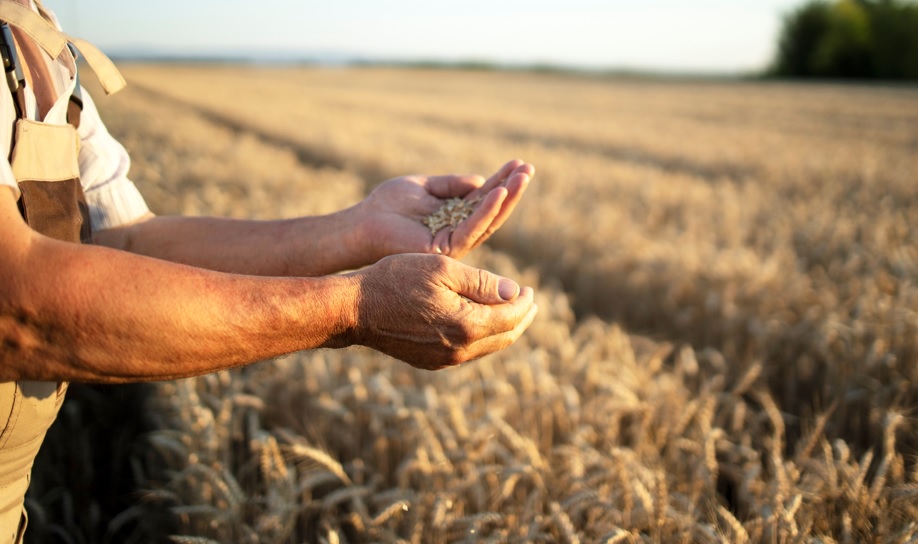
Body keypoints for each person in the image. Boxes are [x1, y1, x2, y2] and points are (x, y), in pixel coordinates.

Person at [0, 0, 538, 541]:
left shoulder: (36, 29)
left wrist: (359, 229)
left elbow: (125, 240)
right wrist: (355, 307)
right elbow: (13, 301)